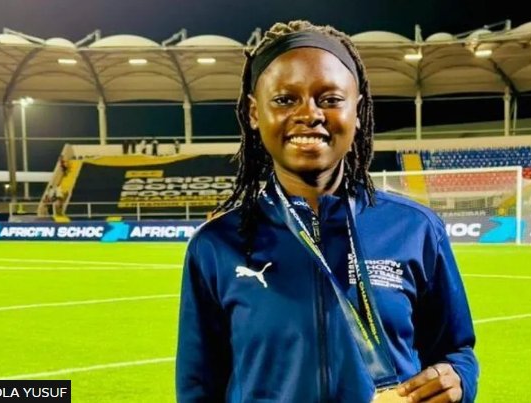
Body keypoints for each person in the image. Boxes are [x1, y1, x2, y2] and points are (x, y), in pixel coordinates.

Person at [176, 21, 478, 403]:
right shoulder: (217, 244)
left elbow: (456, 351)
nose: (310, 114)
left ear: (357, 110)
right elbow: (197, 388)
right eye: (285, 99)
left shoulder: (416, 229)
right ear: (254, 113)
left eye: (330, 99)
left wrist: (459, 381)